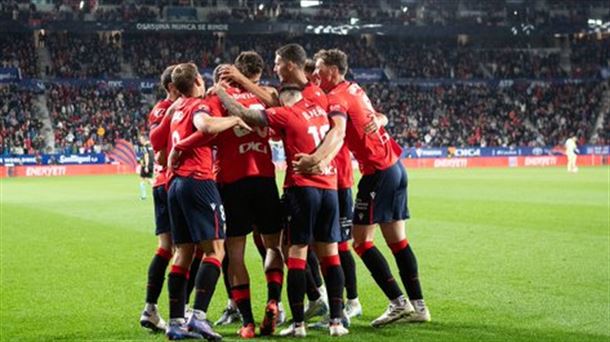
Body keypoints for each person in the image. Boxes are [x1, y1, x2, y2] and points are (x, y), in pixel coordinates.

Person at [295, 48, 431, 327]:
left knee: (361, 242)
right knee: (398, 242)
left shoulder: (336, 98)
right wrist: (381, 120)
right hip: (394, 167)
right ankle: (419, 306)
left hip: (378, 174)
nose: (316, 74)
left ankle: (398, 302)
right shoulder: (355, 89)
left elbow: (338, 132)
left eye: (319, 69)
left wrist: (316, 159)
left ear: (333, 70)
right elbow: (377, 116)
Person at [214, 83, 349, 337]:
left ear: (283, 100)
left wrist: (220, 92)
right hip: (329, 188)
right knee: (327, 255)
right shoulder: (319, 109)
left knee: (291, 253)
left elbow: (246, 115)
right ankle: (335, 322)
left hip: (296, 188)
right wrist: (321, 160)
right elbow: (337, 135)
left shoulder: (287, 113)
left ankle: (288, 325)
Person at [160, 62, 251, 340]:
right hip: (198, 182)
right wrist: (235, 119)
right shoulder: (198, 106)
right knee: (215, 251)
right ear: (198, 80)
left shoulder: (177, 110)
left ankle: (176, 322)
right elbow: (206, 125)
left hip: (174, 185)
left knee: (183, 254)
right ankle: (198, 316)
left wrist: (180, 147)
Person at [203, 51, 286, 338]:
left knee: (234, 254)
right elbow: (277, 106)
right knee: (274, 247)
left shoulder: (218, 98)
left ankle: (248, 322)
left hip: (232, 181)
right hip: (264, 179)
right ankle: (274, 300)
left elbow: (207, 132)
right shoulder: (267, 96)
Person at [139, 65, 180, 333]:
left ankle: (150, 308)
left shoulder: (158, 110)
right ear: (172, 87)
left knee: (166, 248)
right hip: (173, 182)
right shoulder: (170, 109)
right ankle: (184, 312)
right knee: (192, 250)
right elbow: (163, 153)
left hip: (160, 184)